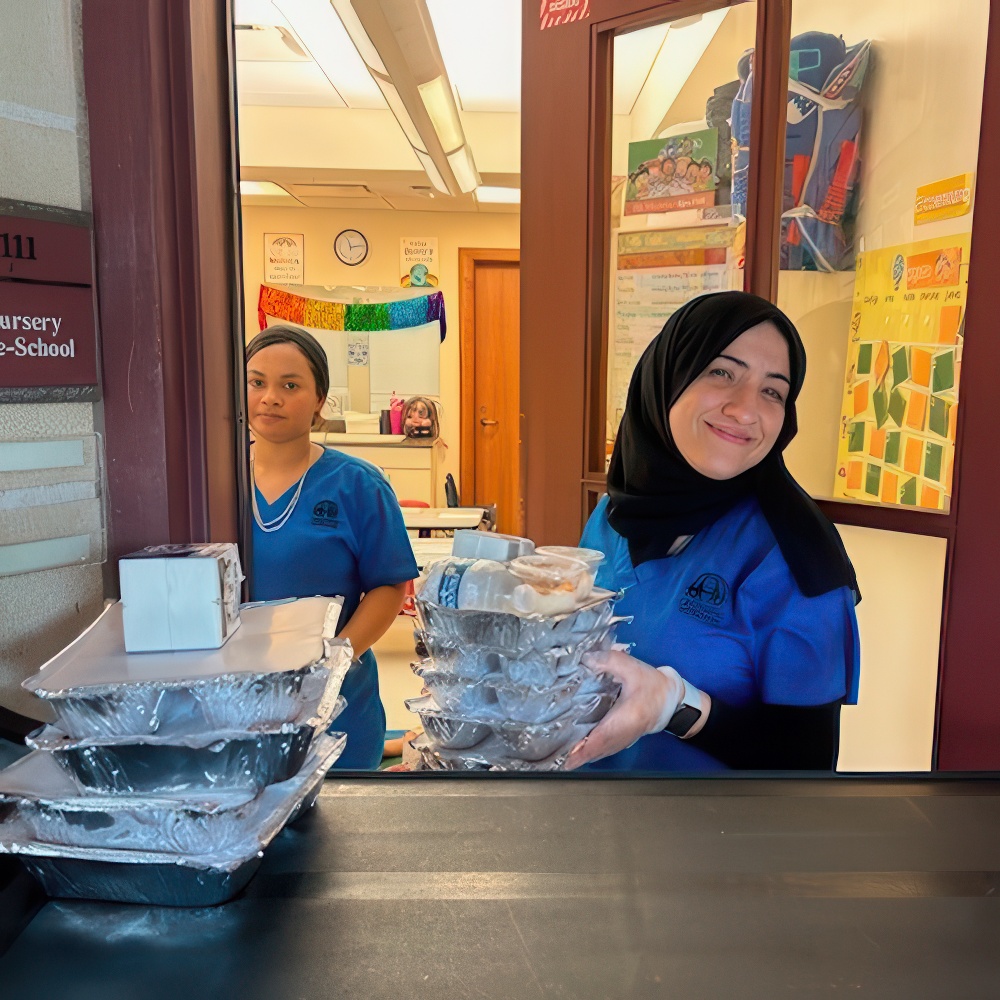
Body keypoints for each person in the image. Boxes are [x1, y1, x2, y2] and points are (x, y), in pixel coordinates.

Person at [566, 291, 860, 772]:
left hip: (716, 841)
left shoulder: (795, 559)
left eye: (773, 391)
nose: (746, 410)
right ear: (669, 376)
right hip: (591, 827)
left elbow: (806, 764)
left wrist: (675, 706)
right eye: (722, 372)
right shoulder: (611, 517)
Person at [246, 325, 418, 769]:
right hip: (237, 708)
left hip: (336, 706)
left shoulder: (357, 484)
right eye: (256, 382)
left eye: (290, 385)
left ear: (319, 400)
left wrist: (332, 663)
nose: (270, 398)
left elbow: (390, 585)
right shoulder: (209, 478)